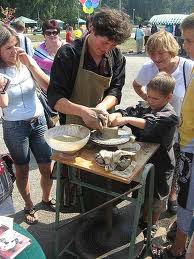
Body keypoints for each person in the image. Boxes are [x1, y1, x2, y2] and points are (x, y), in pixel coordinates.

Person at [48, 8, 131, 210]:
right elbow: (56, 98)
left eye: (114, 44)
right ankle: (79, 214)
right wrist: (84, 112)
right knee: (76, 180)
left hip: (100, 124)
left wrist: (101, 107)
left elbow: (116, 90)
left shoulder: (116, 56)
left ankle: (100, 212)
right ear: (92, 29)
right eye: (105, 42)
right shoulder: (70, 54)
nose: (109, 48)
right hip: (72, 130)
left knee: (101, 175)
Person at [132, 30, 194, 215]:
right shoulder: (148, 68)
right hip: (156, 126)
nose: (156, 57)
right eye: (152, 53)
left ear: (172, 50)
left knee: (174, 163)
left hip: (182, 127)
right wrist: (150, 101)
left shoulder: (188, 67)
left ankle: (172, 194)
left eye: (161, 53)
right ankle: (148, 196)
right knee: (154, 163)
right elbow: (136, 85)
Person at [108, 72, 178, 227]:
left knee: (155, 198)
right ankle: (142, 217)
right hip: (142, 159)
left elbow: (151, 123)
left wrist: (125, 120)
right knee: (143, 193)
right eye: (148, 96)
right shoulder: (147, 104)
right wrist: (119, 114)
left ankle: (150, 224)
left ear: (168, 97)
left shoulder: (170, 116)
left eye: (155, 98)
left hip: (161, 165)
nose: (150, 101)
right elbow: (131, 111)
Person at [0, 25, 55, 224]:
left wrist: (31, 64)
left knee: (47, 166)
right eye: (8, 48)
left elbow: (48, 86)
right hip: (15, 127)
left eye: (15, 45)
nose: (14, 51)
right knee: (22, 170)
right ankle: (29, 204)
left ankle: (46, 197)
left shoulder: (25, 62)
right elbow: (4, 104)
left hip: (39, 121)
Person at [165, 13, 194, 258]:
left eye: (191, 41)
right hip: (186, 142)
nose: (186, 46)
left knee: (187, 202)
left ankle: (178, 250)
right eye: (185, 40)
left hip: (193, 149)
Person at [33, 20, 63, 127]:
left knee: (66, 117)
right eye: (48, 33)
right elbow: (34, 69)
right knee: (51, 120)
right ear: (44, 34)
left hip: (66, 87)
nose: (52, 35)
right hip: (46, 89)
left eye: (54, 32)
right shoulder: (39, 51)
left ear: (58, 33)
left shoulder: (66, 47)